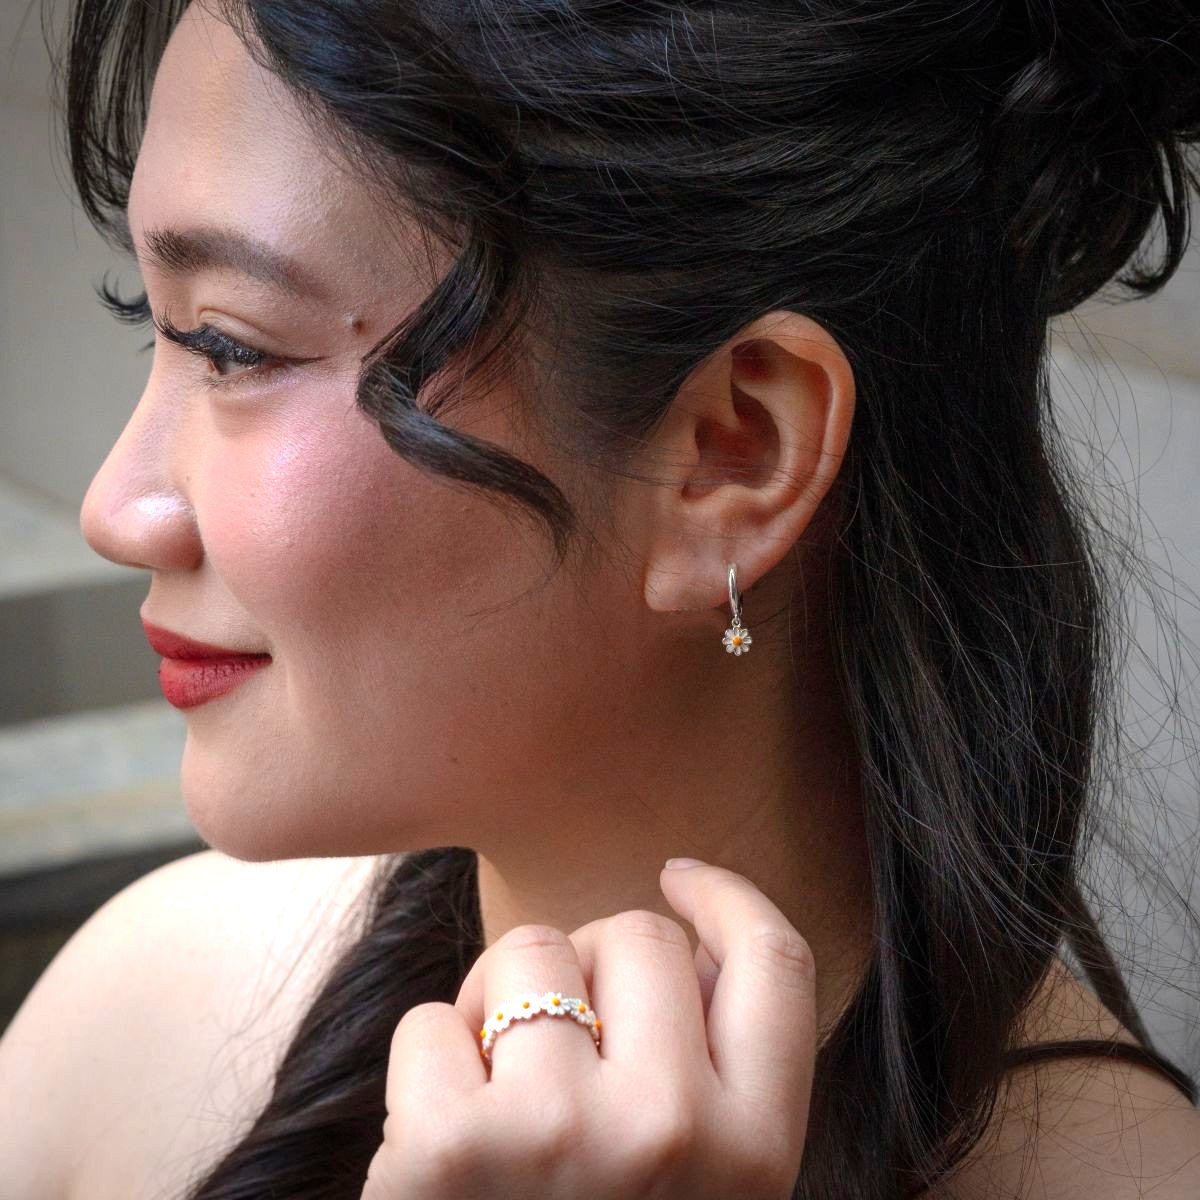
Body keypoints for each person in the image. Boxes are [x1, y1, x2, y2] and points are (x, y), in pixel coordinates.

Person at [2, 0, 1199, 1195]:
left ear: (733, 455)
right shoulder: (139, 1023)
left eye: (230, 347)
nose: (118, 505)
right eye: (149, 322)